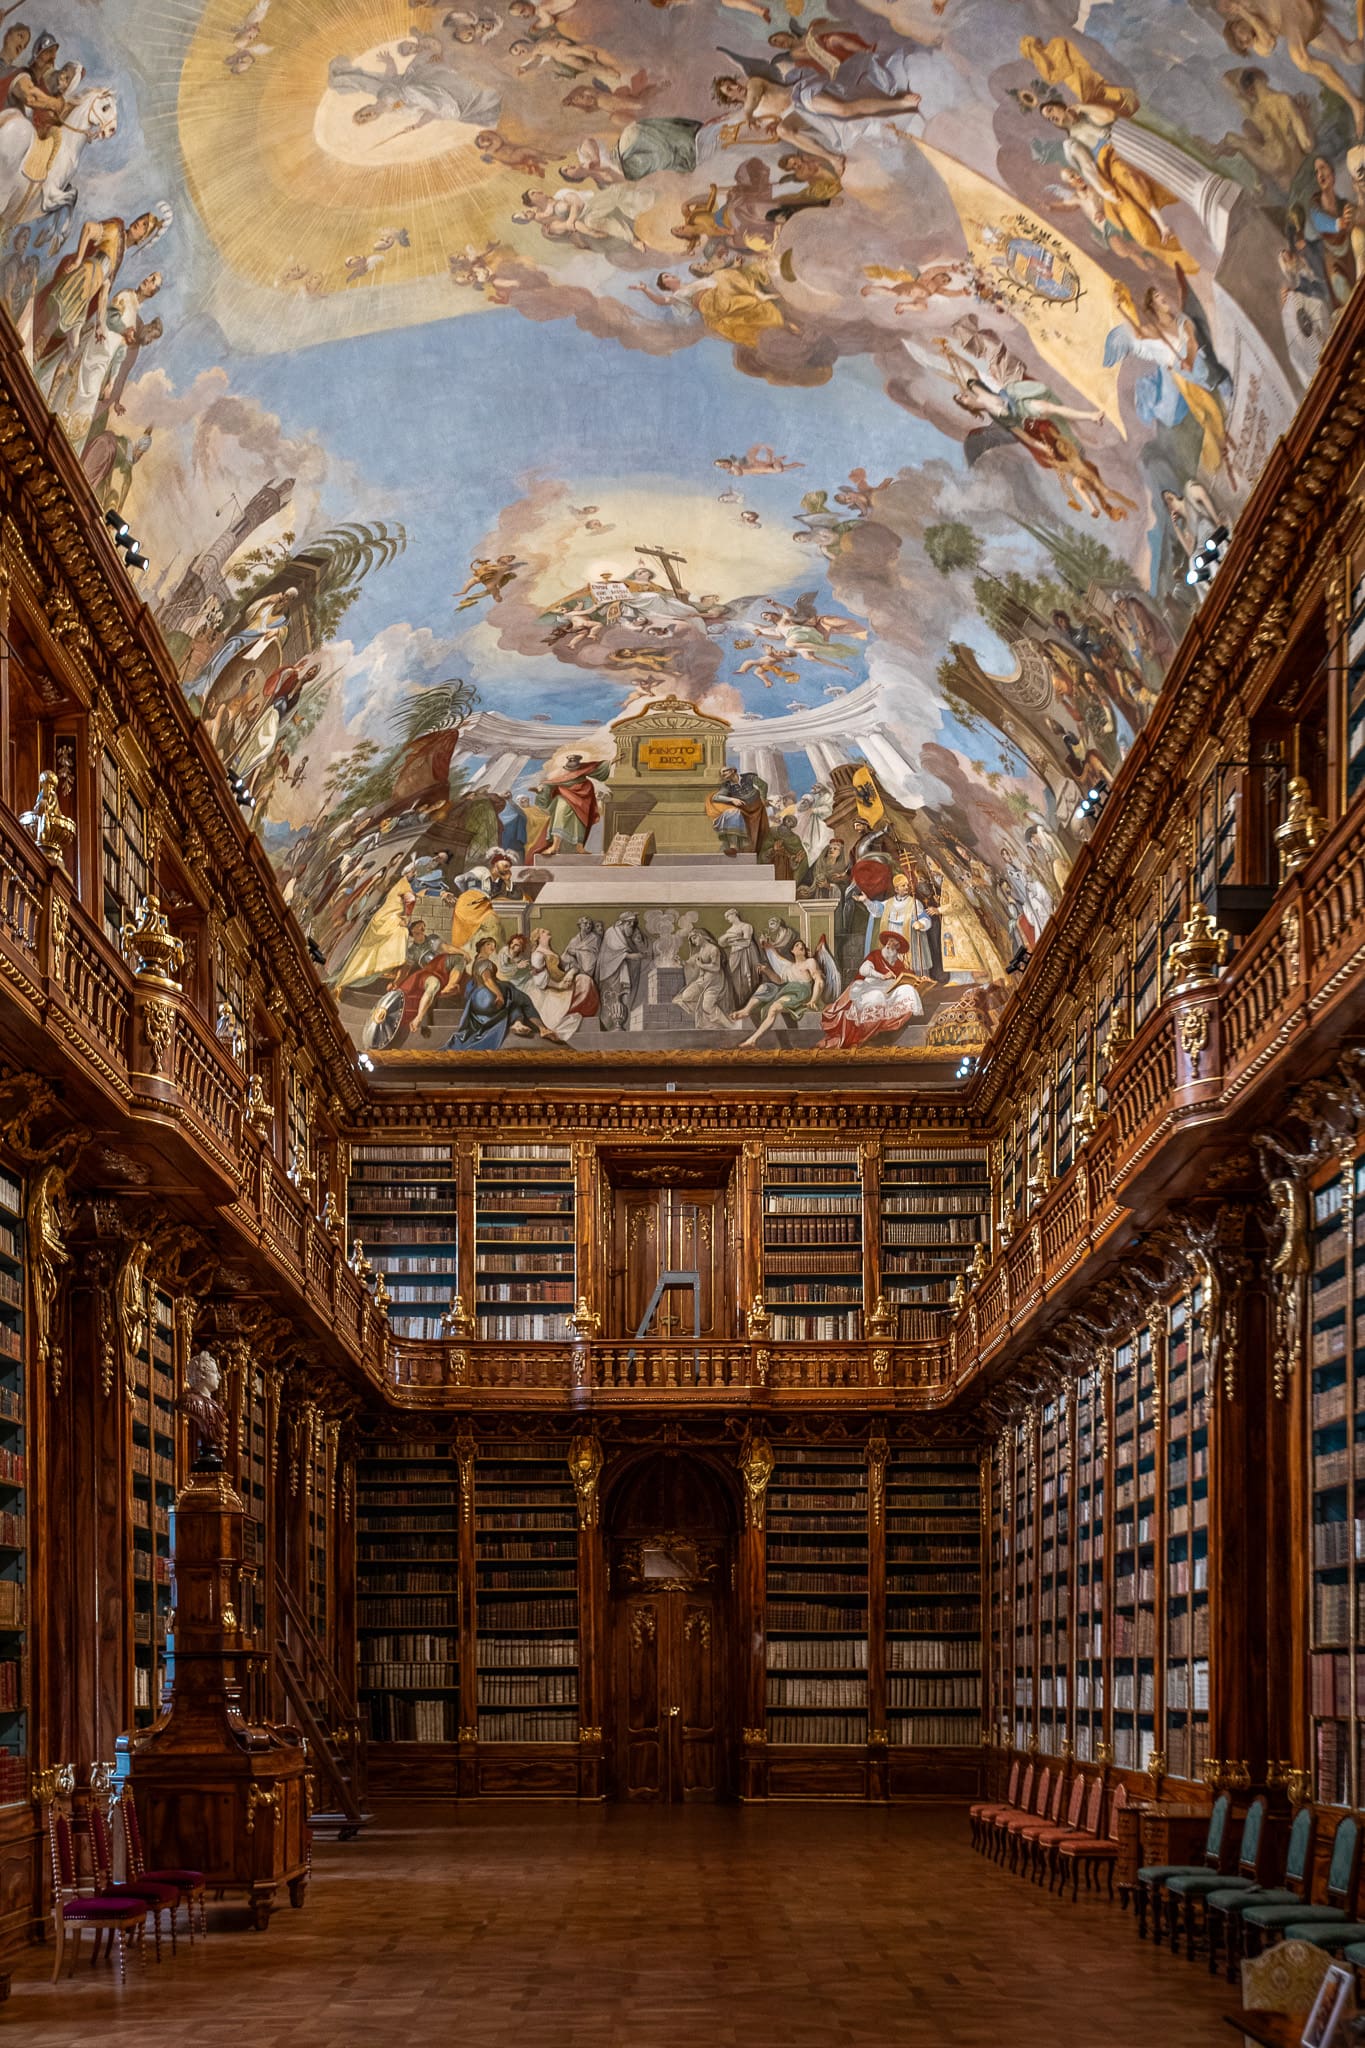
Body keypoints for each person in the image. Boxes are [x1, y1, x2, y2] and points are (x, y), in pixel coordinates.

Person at [820, 931, 926, 1048]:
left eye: (894, 944)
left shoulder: (898, 963)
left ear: (898, 948)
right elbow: (864, 970)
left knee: (908, 990)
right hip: (869, 988)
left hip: (888, 991)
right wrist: (882, 976)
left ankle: (885, 1029)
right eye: (889, 942)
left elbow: (907, 975)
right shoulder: (875, 955)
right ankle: (866, 1035)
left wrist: (920, 979)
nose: (890, 946)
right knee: (877, 997)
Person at [732, 937, 825, 1046]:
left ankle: (753, 1039)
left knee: (773, 1008)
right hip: (787, 989)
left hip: (800, 992)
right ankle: (746, 1010)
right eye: (797, 945)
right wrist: (766, 970)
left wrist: (813, 1000)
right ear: (792, 951)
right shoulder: (789, 968)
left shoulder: (810, 962)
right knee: (765, 987)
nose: (801, 946)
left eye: (802, 945)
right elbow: (779, 981)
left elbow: (819, 980)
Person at [530, 752, 604, 856]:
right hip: (564, 800)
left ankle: (579, 846)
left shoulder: (587, 783)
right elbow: (549, 784)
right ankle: (555, 846)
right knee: (560, 818)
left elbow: (599, 769)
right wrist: (541, 790)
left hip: (582, 805)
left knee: (580, 824)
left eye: (574, 761)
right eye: (570, 760)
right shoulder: (563, 777)